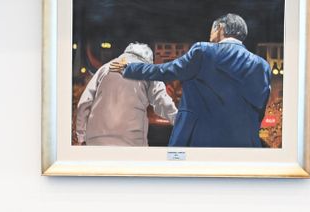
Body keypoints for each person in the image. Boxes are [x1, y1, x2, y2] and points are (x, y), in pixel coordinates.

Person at [109, 13, 271, 148]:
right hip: (244, 142)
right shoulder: (262, 66)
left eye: (212, 30)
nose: (210, 35)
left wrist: (129, 67)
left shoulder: (203, 52)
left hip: (198, 141)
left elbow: (165, 71)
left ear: (220, 28)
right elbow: (260, 107)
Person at [75, 42, 177, 146]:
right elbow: (163, 103)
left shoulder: (104, 69)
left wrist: (81, 136)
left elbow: (84, 103)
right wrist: (180, 121)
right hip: (131, 141)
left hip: (96, 140)